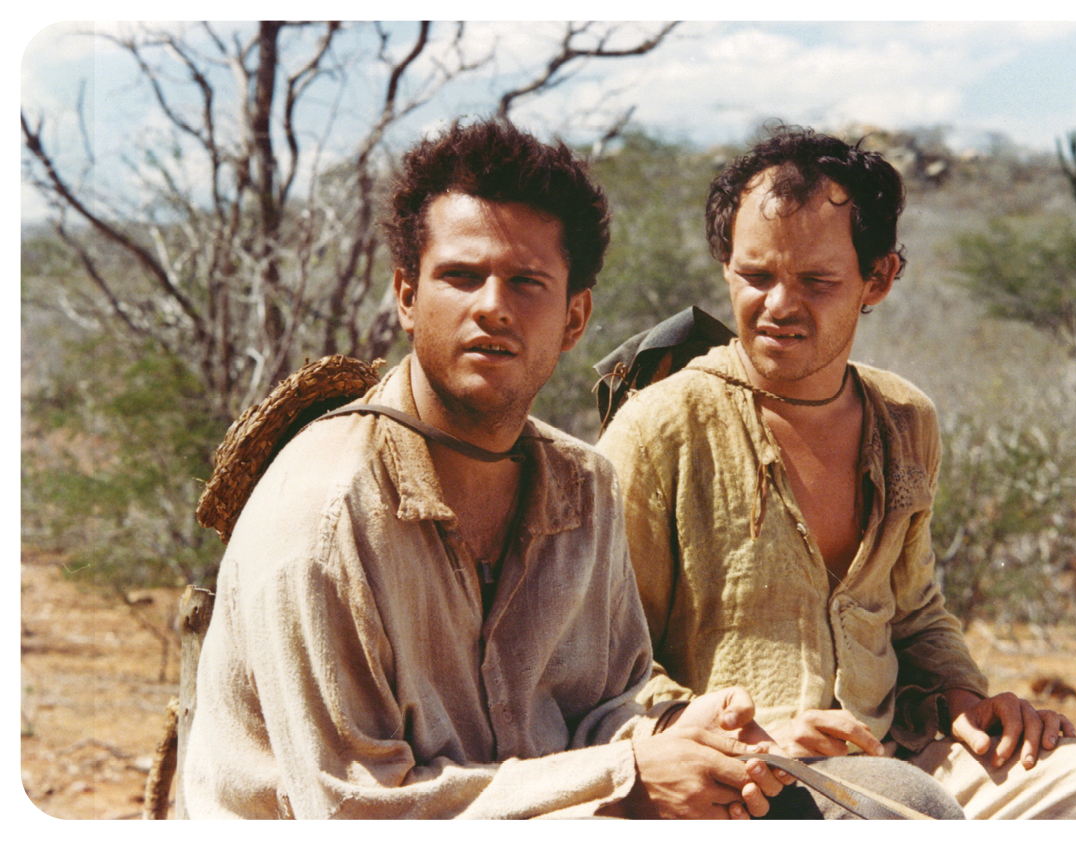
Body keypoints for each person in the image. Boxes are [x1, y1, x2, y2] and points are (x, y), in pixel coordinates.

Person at [181, 118, 800, 819]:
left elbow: (600, 710)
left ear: (574, 318)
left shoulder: (584, 486)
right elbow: (354, 809)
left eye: (526, 282)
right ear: (407, 297)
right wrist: (626, 774)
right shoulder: (325, 515)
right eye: (461, 276)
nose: (491, 307)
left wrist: (679, 733)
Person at [597, 125, 1076, 819]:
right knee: (897, 806)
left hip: (888, 759)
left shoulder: (903, 419)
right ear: (724, 265)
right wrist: (746, 730)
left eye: (815, 281)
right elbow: (604, 666)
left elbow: (914, 614)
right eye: (755, 276)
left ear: (879, 277)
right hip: (733, 777)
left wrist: (964, 698)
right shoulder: (658, 429)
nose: (778, 305)